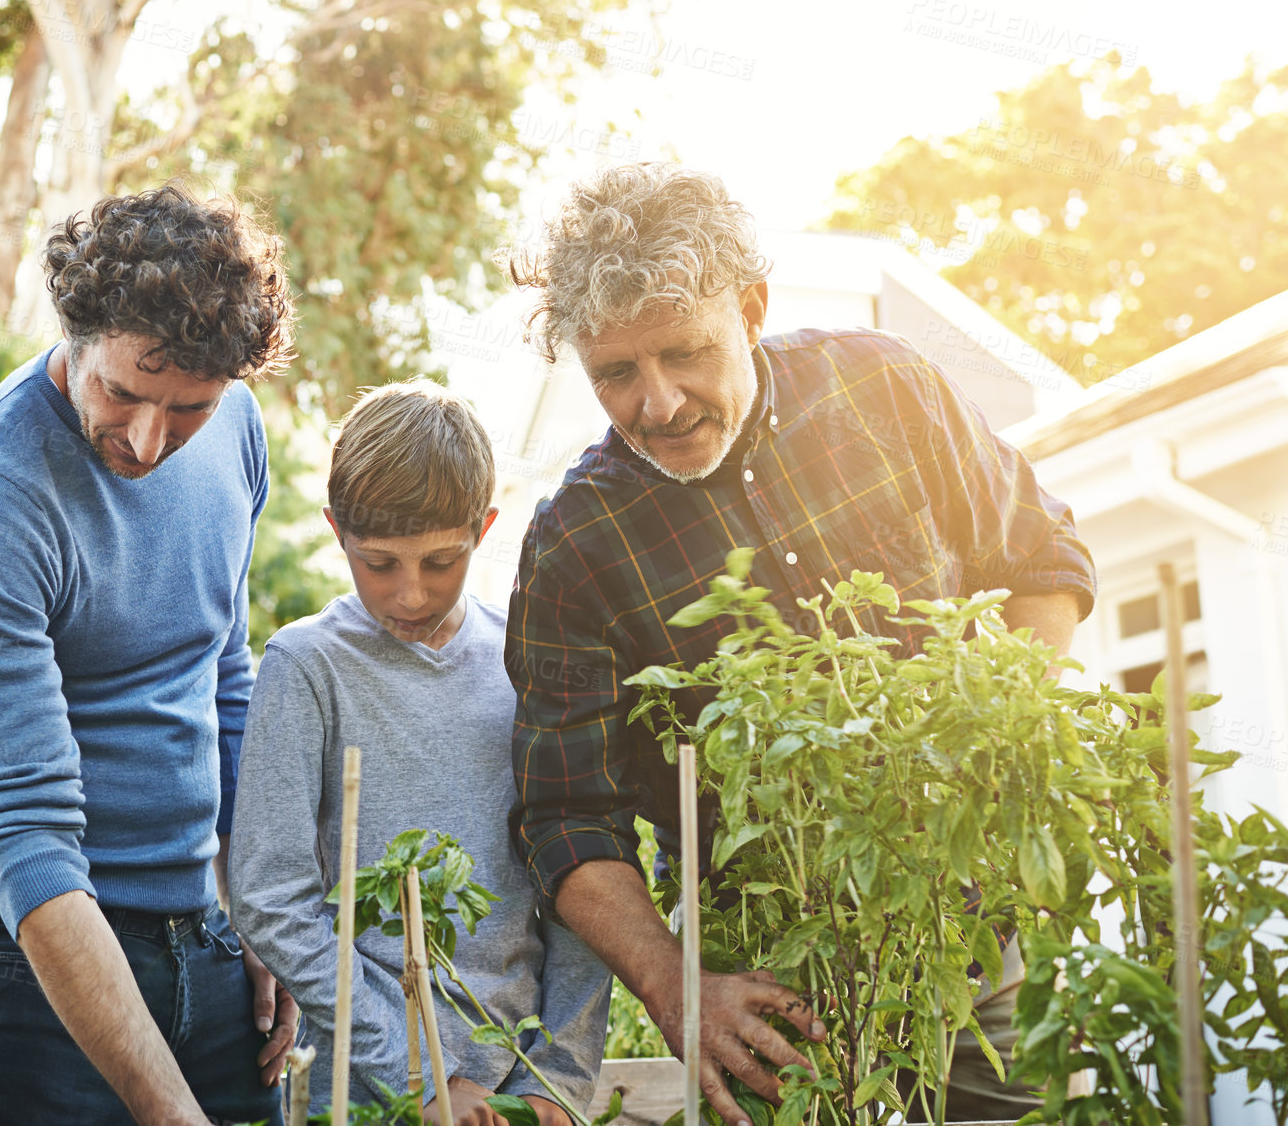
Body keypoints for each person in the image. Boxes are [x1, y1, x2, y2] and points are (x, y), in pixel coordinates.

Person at [503, 163, 1098, 1126]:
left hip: (973, 935)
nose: (656, 403)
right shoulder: (577, 545)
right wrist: (672, 982)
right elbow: (566, 816)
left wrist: (990, 746)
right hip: (773, 991)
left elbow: (1038, 559)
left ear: (750, 305)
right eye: (615, 372)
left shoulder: (886, 388)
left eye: (684, 352)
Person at [0, 184, 300, 1126]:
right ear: (75, 333)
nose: (148, 440)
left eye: (188, 409)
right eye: (122, 392)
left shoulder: (236, 430)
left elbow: (223, 678)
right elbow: (27, 834)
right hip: (23, 966)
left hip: (203, 949)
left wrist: (257, 903)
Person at [229, 380, 612, 1126]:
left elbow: (580, 879)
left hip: (517, 1092)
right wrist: (421, 1072)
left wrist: (555, 1084)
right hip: (359, 1095)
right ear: (336, 530)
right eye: (379, 563)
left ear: (484, 528)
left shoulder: (527, 661)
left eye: (440, 561)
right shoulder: (307, 667)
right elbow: (271, 897)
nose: (409, 594)